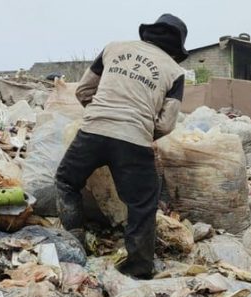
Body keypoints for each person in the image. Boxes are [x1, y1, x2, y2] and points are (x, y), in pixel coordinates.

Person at [56, 14, 189, 279]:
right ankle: (138, 268)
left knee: (66, 181)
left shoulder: (113, 48)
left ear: (148, 33)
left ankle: (74, 242)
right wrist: (137, 128)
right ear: (176, 48)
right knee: (142, 204)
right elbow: (167, 124)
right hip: (134, 142)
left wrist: (102, 114)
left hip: (92, 132)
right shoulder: (175, 73)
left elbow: (83, 91)